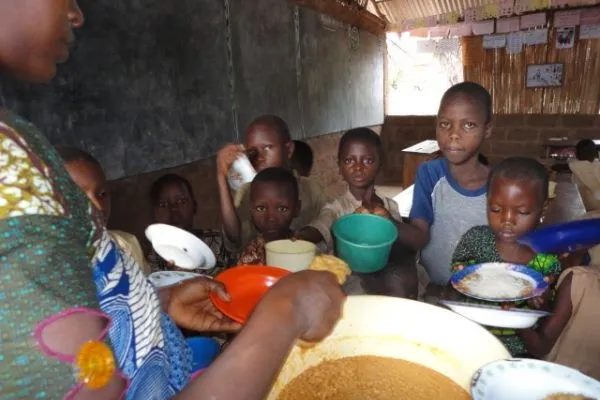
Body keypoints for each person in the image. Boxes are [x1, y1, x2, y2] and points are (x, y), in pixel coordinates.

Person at [0, 2, 341, 399]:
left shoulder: (19, 144)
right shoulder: (10, 178)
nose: (77, 14)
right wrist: (286, 313)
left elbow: (80, 299)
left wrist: (157, 303)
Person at [449, 157, 562, 356]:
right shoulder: (476, 239)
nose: (507, 220)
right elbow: (457, 275)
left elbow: (547, 301)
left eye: (522, 212)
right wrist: (460, 274)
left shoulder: (545, 258)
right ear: (487, 202)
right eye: (496, 209)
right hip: (471, 337)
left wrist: (541, 298)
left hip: (515, 349)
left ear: (542, 209)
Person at [296, 128, 417, 298]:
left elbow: (400, 243)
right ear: (340, 166)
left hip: (386, 275)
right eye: (349, 161)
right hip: (350, 279)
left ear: (380, 165)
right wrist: (302, 236)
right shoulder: (336, 208)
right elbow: (321, 226)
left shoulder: (390, 205)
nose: (358, 167)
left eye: (367, 160)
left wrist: (387, 220)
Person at [408, 82, 492, 299]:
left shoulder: (500, 185)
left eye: (468, 125)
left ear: (487, 129)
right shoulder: (429, 175)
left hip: (482, 294)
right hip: (433, 291)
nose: (453, 134)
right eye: (445, 124)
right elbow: (419, 236)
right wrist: (386, 222)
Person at [217, 115, 329, 252]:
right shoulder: (246, 192)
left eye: (268, 148)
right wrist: (221, 177)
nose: (260, 158)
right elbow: (234, 237)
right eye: (253, 151)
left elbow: (327, 225)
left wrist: (305, 236)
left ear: (288, 149)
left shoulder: (310, 190)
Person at [56, 145, 151, 274]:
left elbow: (148, 292)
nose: (99, 207)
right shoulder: (39, 263)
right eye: (80, 197)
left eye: (102, 194)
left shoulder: (126, 245)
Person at [519, 265, 600, 380]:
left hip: (555, 380)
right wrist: (543, 305)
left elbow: (540, 347)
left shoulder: (582, 278)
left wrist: (511, 314)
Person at [148, 173, 234, 275]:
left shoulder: (217, 240)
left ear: (194, 207)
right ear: (155, 214)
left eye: (182, 201)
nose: (174, 209)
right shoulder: (154, 258)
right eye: (164, 205)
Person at [237, 167, 300, 265]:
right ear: (251, 209)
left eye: (281, 209)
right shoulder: (251, 256)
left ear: (297, 208)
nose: (271, 218)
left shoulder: (303, 247)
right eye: (261, 209)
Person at [569, 139, 600, 212]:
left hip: (584, 208)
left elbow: (575, 190)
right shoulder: (597, 166)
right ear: (595, 153)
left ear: (577, 154)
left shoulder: (575, 169)